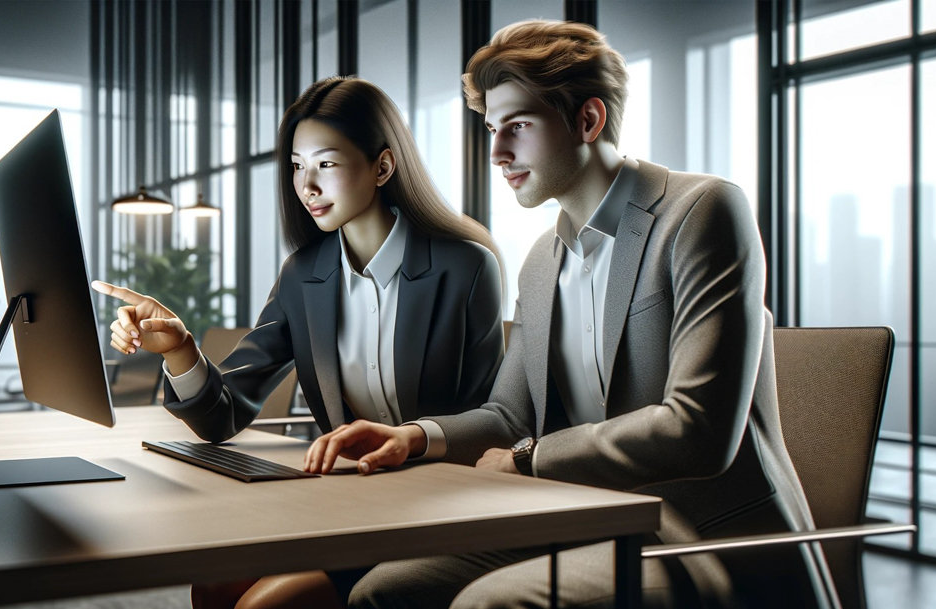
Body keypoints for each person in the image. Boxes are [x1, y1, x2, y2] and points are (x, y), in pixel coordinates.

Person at [304, 20, 835, 609]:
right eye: (491, 129)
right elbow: (510, 415)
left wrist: (533, 461)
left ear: (588, 120)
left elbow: (699, 430)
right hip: (583, 516)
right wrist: (415, 437)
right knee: (383, 592)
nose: (497, 152)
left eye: (519, 127)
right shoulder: (540, 261)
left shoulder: (703, 211)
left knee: (488, 605)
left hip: (700, 540)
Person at [94, 76, 505, 609]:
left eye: (327, 164)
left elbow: (496, 420)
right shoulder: (303, 276)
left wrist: (413, 440)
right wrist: (179, 348)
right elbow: (222, 417)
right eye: (296, 165)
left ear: (382, 166)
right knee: (213, 585)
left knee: (265, 605)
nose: (306, 185)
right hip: (347, 502)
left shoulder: (465, 267)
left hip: (438, 507)